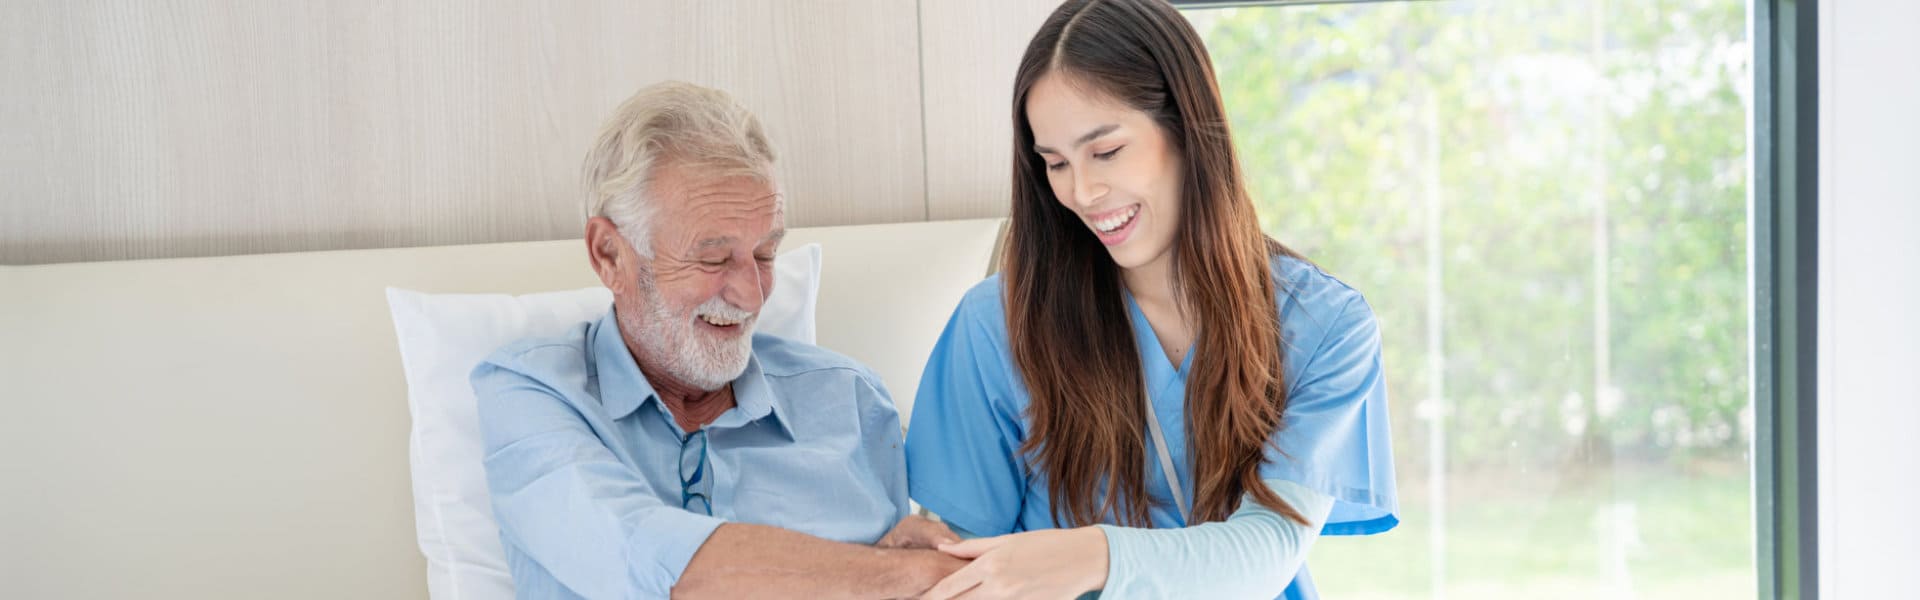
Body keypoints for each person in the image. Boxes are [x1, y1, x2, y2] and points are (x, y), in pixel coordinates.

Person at [905, 1, 1399, 598]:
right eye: (1055, 164)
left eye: (1106, 151)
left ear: (1187, 129)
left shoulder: (1324, 326)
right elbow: (968, 566)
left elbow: (1269, 549)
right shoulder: (995, 326)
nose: (1082, 192)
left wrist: (1094, 555)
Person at [471, 81, 963, 599]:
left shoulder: (851, 401)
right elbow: (648, 559)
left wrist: (886, 569)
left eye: (767, 254)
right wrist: (899, 577)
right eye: (713, 259)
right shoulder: (531, 394)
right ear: (610, 254)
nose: (752, 295)